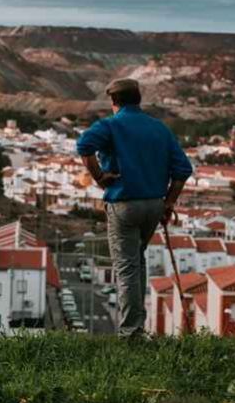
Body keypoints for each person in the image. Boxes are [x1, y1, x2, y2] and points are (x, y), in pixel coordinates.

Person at [77, 78, 193, 338]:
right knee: (137, 261)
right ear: (138, 98)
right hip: (154, 205)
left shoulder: (110, 125)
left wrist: (99, 177)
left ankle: (131, 333)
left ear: (113, 101)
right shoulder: (159, 128)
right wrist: (169, 202)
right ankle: (138, 325)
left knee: (126, 267)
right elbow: (183, 170)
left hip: (124, 204)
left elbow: (84, 147)